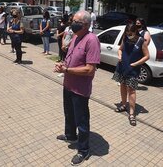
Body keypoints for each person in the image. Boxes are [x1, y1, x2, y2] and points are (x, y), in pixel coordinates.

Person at [54, 10, 101, 166]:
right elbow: (70, 58)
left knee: (81, 120)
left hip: (80, 89)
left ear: (86, 24)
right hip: (68, 85)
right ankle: (70, 135)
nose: (72, 23)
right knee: (69, 113)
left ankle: (83, 149)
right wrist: (63, 65)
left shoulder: (92, 40)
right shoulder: (75, 36)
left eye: (76, 21)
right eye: (72, 20)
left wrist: (66, 70)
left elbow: (89, 69)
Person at [112, 23, 150, 126]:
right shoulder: (125, 38)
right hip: (122, 67)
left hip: (133, 69)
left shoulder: (141, 41)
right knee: (123, 86)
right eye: (127, 33)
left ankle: (132, 114)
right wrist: (119, 56)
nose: (129, 35)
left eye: (131, 33)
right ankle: (124, 105)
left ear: (135, 32)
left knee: (132, 90)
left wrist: (136, 63)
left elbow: (147, 56)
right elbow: (120, 49)